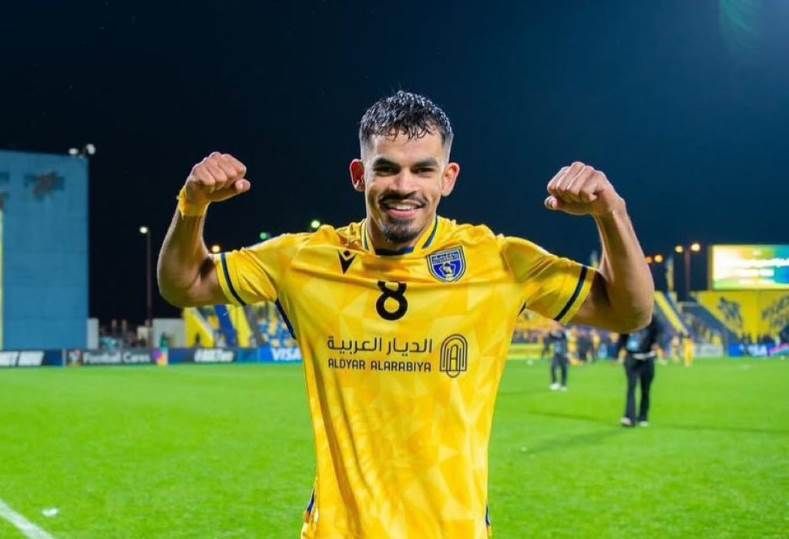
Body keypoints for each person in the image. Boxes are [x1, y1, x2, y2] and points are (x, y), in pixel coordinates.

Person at [158, 91, 654, 538]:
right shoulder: (303, 260)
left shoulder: (501, 262)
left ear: (448, 178)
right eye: (386, 168)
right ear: (359, 175)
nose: (403, 185)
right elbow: (184, 284)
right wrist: (192, 205)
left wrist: (610, 213)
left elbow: (628, 311)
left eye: (422, 169)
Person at [618, 316, 662, 427]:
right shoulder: (628, 318)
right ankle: (629, 417)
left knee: (645, 390)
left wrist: (656, 343)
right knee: (631, 387)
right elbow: (622, 337)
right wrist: (621, 350)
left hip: (647, 358)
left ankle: (643, 417)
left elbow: (659, 333)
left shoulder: (653, 319)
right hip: (632, 358)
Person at [547, 326, 569, 391]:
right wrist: (551, 329)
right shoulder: (555, 337)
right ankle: (555, 383)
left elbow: (563, 334)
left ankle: (563, 385)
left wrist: (559, 328)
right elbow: (550, 335)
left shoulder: (564, 336)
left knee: (564, 369)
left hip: (563, 355)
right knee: (553, 367)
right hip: (556, 355)